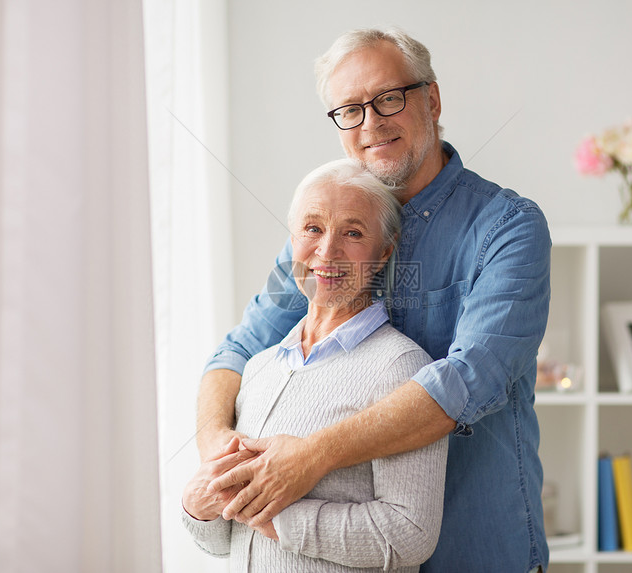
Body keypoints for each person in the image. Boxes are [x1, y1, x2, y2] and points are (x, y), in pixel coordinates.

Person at [195, 27, 551, 572]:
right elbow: (237, 353)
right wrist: (217, 449)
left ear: (431, 100)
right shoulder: (326, 236)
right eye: (349, 110)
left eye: (388, 98)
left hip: (475, 548)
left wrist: (310, 457)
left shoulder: (507, 228)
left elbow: (465, 380)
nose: (371, 123)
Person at [182, 158, 448, 571]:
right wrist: (195, 506)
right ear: (293, 241)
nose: (327, 251)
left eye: (353, 233)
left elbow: (410, 534)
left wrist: (276, 516)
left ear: (383, 253)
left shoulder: (400, 367)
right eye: (312, 229)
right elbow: (220, 542)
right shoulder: (259, 369)